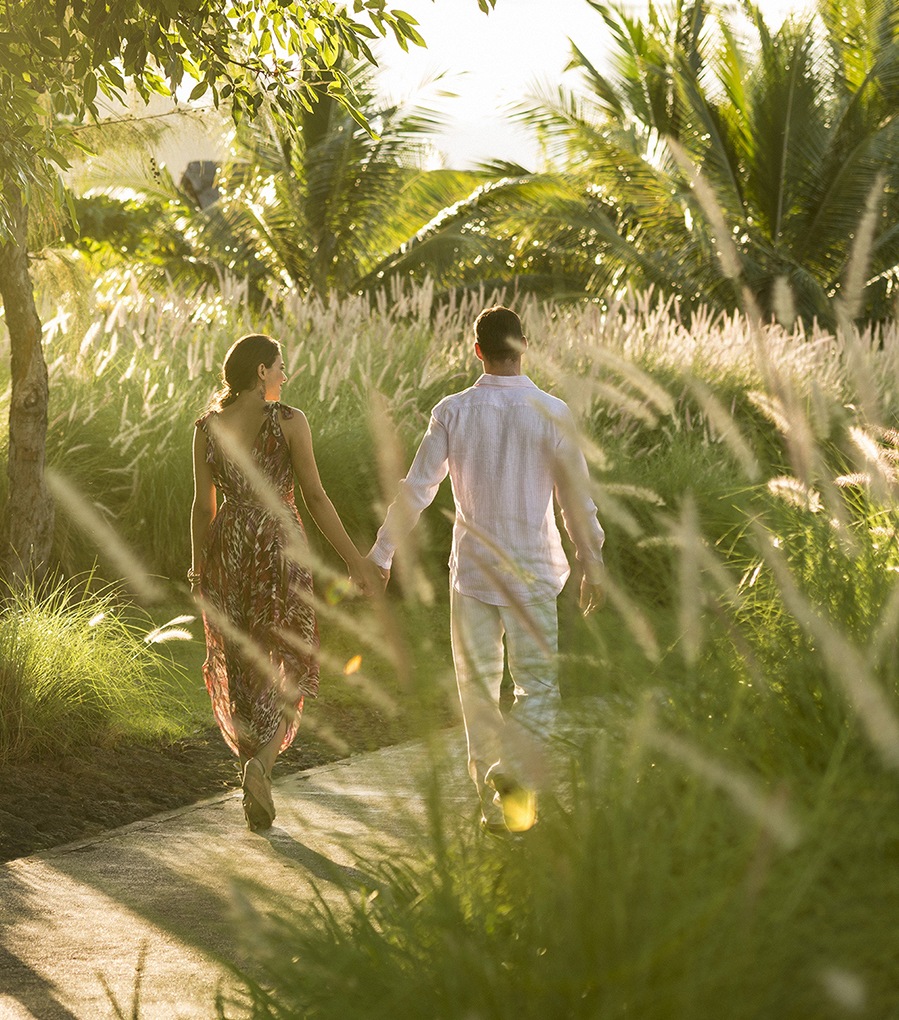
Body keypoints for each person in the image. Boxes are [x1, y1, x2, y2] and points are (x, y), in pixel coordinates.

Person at [369, 306, 604, 834]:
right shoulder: (554, 412)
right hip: (534, 574)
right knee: (538, 690)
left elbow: (416, 491)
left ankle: (492, 808)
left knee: (477, 692)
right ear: (524, 346)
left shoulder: (452, 411)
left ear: (477, 350)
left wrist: (382, 553)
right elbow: (576, 499)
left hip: (472, 577)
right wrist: (592, 560)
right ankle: (513, 780)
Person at [190, 334, 378, 831]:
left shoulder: (206, 428)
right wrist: (355, 560)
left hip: (228, 549)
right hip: (278, 547)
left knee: (242, 662)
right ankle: (262, 766)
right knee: (293, 658)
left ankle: (254, 778)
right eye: (278, 367)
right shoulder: (291, 422)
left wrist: (197, 570)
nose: (284, 375)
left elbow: (203, 508)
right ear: (261, 372)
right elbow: (315, 497)